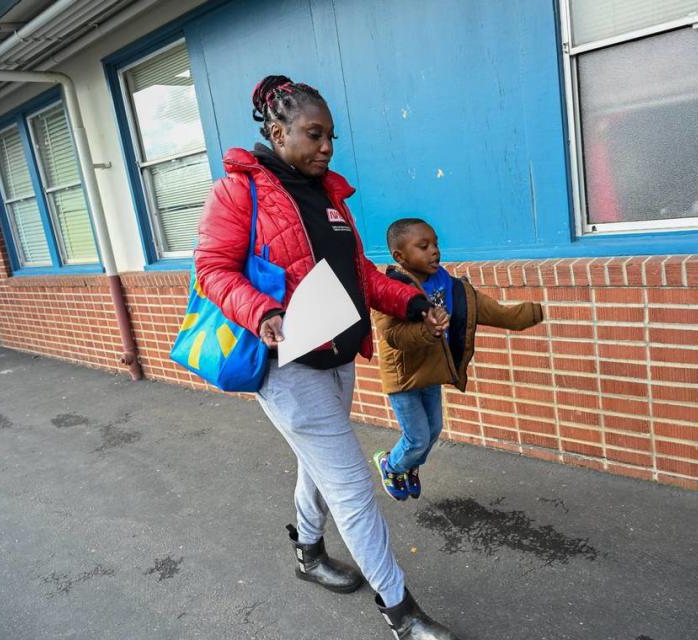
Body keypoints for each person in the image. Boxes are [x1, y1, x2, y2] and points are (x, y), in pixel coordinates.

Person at [194, 76, 460, 639]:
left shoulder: (331, 197)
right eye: (314, 135)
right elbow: (212, 269)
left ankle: (310, 554)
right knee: (352, 488)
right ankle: (401, 612)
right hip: (289, 366)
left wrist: (414, 301)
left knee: (317, 462)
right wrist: (262, 311)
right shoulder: (238, 191)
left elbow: (360, 276)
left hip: (338, 356)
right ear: (278, 131)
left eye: (331, 137)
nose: (326, 147)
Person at [372, 218, 544, 500]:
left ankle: (409, 466)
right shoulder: (391, 289)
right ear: (400, 256)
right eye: (423, 246)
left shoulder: (449, 286)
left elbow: (486, 309)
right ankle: (390, 465)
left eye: (436, 244)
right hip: (403, 377)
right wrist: (426, 329)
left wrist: (532, 314)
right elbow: (394, 336)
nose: (434, 251)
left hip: (432, 370)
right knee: (416, 438)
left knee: (434, 429)